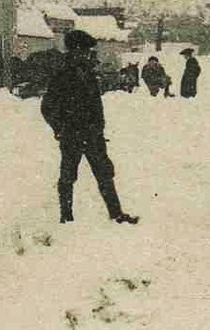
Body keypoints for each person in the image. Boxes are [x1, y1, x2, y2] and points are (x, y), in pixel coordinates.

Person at [40, 29, 138, 225]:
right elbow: (47, 107)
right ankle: (66, 217)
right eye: (85, 51)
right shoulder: (62, 75)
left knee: (104, 173)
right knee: (68, 175)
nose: (88, 54)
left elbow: (95, 105)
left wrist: (98, 127)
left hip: (93, 135)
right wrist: (60, 128)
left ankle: (116, 214)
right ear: (75, 51)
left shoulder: (89, 73)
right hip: (72, 135)